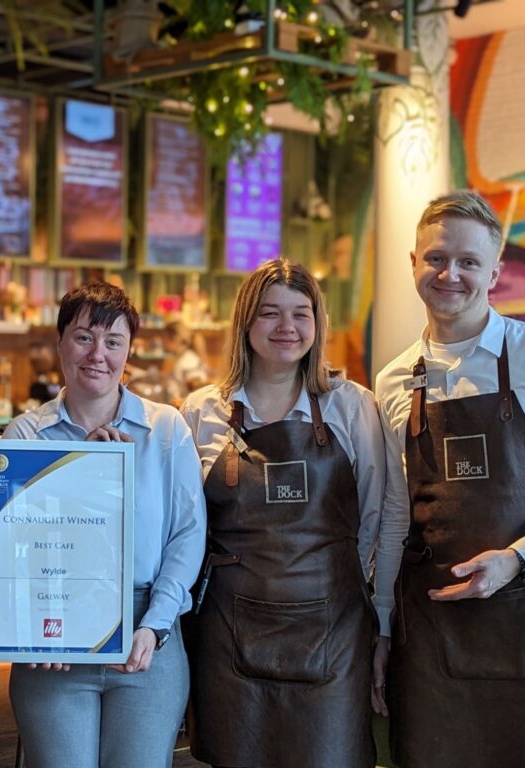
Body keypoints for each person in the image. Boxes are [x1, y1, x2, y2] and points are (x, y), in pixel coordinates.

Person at [182, 259, 395, 768]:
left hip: (334, 632)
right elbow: (183, 530)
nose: (286, 328)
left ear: (318, 324)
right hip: (229, 633)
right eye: (270, 313)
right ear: (245, 323)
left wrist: (376, 615)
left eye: (301, 314)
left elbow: (377, 517)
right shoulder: (200, 411)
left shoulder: (351, 406)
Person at [4, 280, 207, 768]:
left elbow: (187, 534)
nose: (98, 354)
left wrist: (156, 625)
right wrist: (35, 622)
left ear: (128, 352)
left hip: (145, 634)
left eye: (113, 341)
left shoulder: (165, 429)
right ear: (59, 344)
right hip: (54, 640)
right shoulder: (26, 435)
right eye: (83, 337)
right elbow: (11, 544)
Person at [375, 190, 525, 768]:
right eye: (436, 258)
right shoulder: (394, 381)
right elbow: (392, 514)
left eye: (467, 262)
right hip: (430, 634)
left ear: (495, 271)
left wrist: (514, 559)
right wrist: (382, 630)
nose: (450, 274)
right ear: (412, 263)